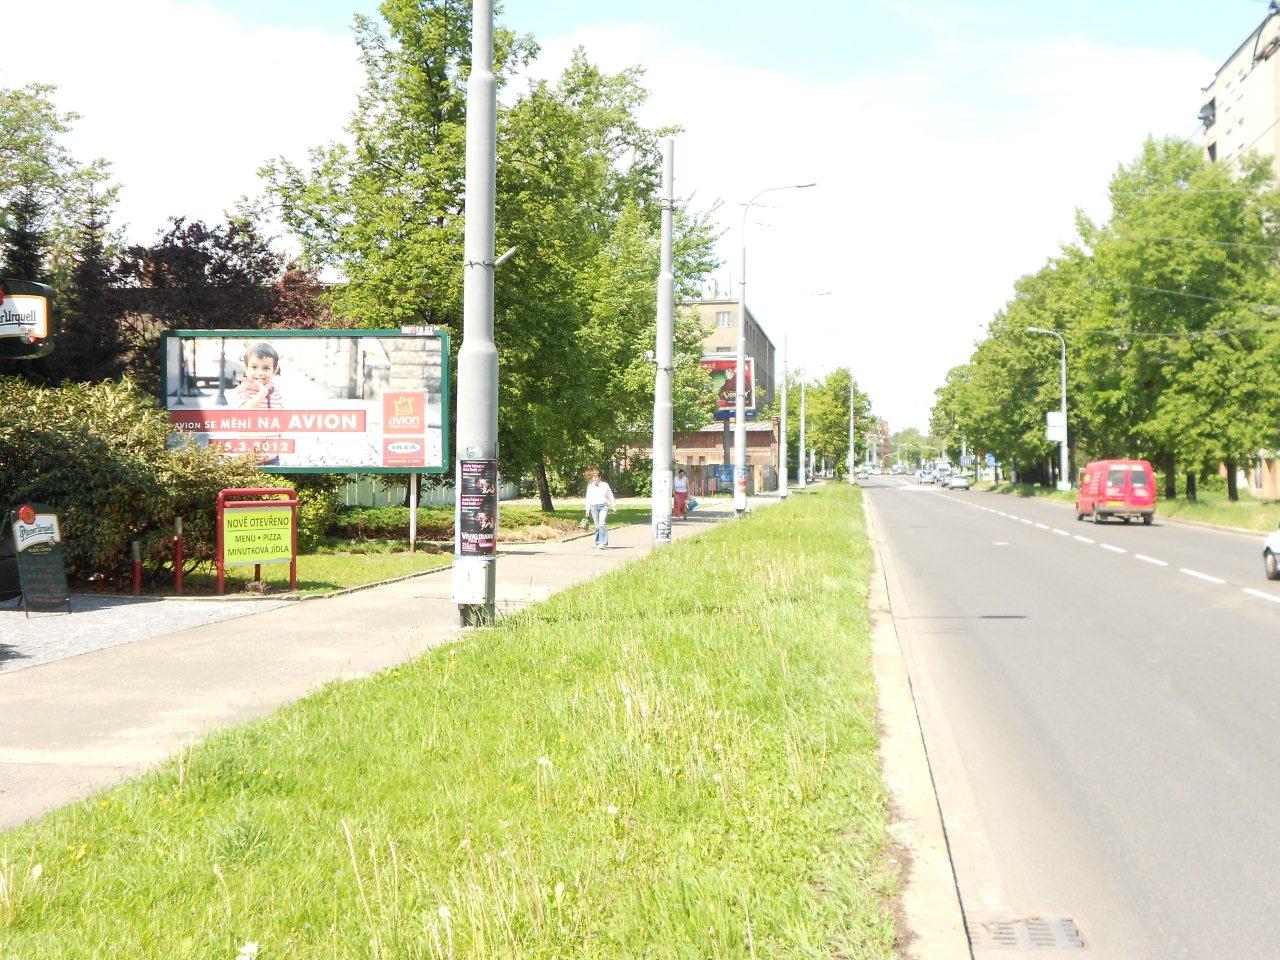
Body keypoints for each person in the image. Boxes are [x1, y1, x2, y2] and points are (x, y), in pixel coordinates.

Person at [236, 343, 284, 410]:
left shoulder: (275, 391)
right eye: (254, 367)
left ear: (274, 371)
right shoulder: (243, 390)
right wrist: (261, 394)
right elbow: (244, 411)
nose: (260, 373)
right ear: (246, 368)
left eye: (266, 368)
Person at [584, 469, 617, 549]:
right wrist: (587, 510)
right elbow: (588, 498)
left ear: (600, 478)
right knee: (597, 526)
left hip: (603, 506)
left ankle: (602, 543)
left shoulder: (605, 485)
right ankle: (598, 542)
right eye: (593, 478)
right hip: (594, 507)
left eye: (596, 477)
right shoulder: (590, 487)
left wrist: (613, 506)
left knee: (602, 524)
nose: (595, 479)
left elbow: (610, 495)